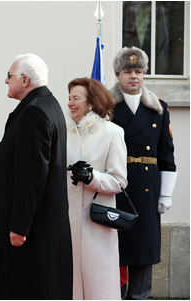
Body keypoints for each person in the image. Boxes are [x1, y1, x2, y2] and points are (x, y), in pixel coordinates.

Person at [0, 53, 73, 299]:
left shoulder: (35, 112)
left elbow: (33, 174)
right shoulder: (45, 105)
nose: (6, 81)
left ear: (24, 79)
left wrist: (20, 226)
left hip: (33, 228)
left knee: (23, 288)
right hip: (40, 223)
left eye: (9, 76)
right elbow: (20, 157)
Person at [110, 46, 177, 299]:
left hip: (148, 189)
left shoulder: (158, 108)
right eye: (127, 71)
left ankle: (139, 297)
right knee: (114, 250)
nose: (134, 76)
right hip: (115, 186)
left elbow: (166, 154)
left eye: (139, 71)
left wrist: (165, 195)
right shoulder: (106, 107)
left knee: (143, 249)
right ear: (118, 75)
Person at [66, 77, 128, 299]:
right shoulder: (64, 133)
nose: (70, 103)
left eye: (76, 98)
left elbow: (120, 181)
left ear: (91, 102)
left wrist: (92, 177)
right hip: (67, 222)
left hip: (97, 222)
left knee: (99, 284)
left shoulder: (112, 132)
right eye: (69, 98)